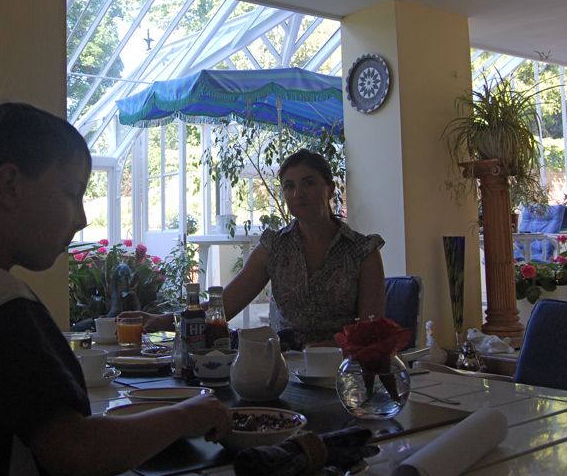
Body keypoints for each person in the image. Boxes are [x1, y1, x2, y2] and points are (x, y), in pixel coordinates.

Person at [0, 102, 230, 476]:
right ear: (10, 186)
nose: (81, 219)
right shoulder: (2, 304)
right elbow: (75, 453)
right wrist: (187, 415)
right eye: (71, 193)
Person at [130, 148, 386, 348]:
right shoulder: (274, 247)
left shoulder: (362, 251)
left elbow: (370, 333)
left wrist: (324, 349)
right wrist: (162, 321)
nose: (298, 193)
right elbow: (225, 307)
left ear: (330, 189)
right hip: (283, 369)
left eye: (309, 182)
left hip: (342, 371)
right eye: (289, 186)